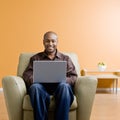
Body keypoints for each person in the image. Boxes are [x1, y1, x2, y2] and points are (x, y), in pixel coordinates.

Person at [22, 31, 78, 120]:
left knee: (64, 86)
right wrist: (37, 79)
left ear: (57, 42)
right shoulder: (36, 58)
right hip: (42, 89)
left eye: (53, 41)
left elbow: (73, 76)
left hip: (60, 89)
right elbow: (27, 74)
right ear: (43, 42)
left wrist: (62, 79)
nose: (50, 44)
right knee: (35, 87)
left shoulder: (65, 58)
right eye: (47, 41)